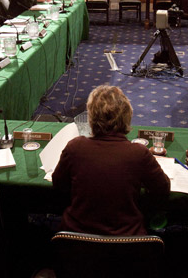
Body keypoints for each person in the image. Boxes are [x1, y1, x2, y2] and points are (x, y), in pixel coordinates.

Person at [52, 85, 171, 235]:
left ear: (91, 118)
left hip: (77, 245)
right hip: (127, 245)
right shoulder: (139, 153)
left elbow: (58, 185)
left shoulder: (74, 147)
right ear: (128, 116)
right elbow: (162, 189)